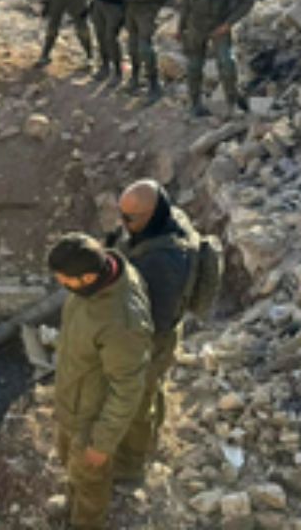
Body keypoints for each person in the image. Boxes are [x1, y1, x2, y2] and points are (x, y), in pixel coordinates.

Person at [48, 232, 152, 530]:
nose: (61, 285)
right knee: (72, 466)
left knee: (91, 479)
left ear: (89, 276)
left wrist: (102, 443)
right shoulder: (96, 282)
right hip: (74, 400)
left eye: (65, 280)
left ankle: (86, 522)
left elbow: (128, 388)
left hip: (90, 418)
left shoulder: (121, 322)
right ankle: (71, 504)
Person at [108, 180, 197, 484]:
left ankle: (131, 469)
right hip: (160, 331)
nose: (123, 224)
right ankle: (149, 441)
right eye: (121, 215)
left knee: (135, 403)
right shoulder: (161, 222)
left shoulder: (165, 261)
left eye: (130, 219)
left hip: (152, 338)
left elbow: (153, 320)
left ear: (152, 214)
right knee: (150, 392)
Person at [179, 0, 256, 117]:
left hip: (220, 25)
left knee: (227, 64)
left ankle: (232, 103)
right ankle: (194, 104)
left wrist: (229, 23)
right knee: (194, 66)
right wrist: (181, 26)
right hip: (197, 24)